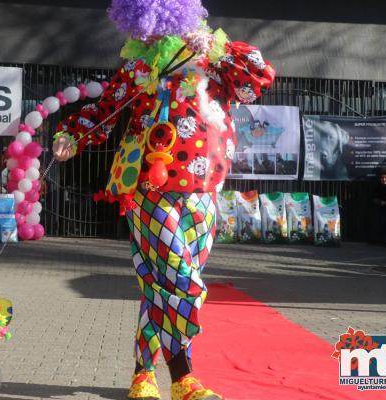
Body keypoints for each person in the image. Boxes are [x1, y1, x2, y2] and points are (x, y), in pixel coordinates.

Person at [52, 2, 274, 399]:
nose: (148, 34)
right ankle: (184, 378)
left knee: (158, 284)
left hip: (205, 185)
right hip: (148, 185)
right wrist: (71, 136)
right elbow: (103, 111)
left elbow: (255, 82)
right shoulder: (138, 68)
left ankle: (143, 374)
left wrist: (222, 52)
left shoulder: (210, 56)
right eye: (142, 28)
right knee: (178, 278)